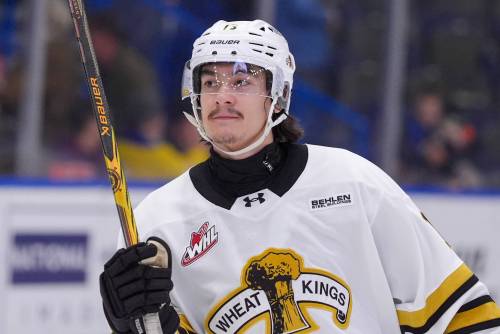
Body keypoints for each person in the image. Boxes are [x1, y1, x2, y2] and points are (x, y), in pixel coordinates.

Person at [99, 20, 500, 334]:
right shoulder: (157, 220)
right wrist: (131, 323)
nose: (222, 95)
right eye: (210, 82)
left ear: (278, 95)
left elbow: (462, 316)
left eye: (241, 81)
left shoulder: (353, 183)